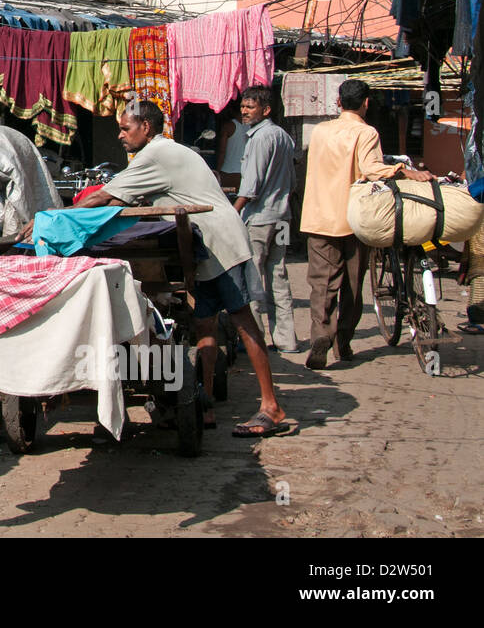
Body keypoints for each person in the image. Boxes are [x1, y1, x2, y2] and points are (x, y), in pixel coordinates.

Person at [40, 101, 289, 437]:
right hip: (206, 249)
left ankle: (271, 407)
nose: (121, 135)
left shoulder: (157, 154)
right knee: (204, 325)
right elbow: (117, 200)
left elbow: (104, 198)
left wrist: (52, 220)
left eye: (126, 128)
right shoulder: (161, 154)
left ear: (146, 126)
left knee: (243, 320)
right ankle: (207, 404)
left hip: (223, 243)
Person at [298, 79, 433, 369]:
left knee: (322, 284)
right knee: (352, 284)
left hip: (318, 217)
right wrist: (403, 170)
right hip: (352, 219)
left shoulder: (320, 131)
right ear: (366, 103)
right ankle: (342, 341)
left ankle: (320, 336)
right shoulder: (365, 132)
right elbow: (372, 170)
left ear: (338, 102)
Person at [233, 85, 299, 353]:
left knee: (254, 278)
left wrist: (233, 210)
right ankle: (286, 340)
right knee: (278, 274)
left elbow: (251, 186)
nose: (244, 111)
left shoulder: (260, 138)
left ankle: (256, 339)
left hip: (261, 219)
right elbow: (292, 182)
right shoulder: (283, 136)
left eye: (250, 107)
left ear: (266, 109)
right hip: (282, 216)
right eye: (243, 107)